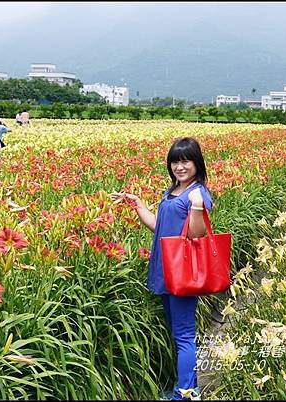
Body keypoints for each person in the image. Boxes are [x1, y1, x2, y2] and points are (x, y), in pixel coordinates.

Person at [110, 137, 212, 401]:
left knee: (184, 335)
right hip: (165, 269)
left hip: (183, 272)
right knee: (178, 333)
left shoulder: (197, 193)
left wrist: (199, 207)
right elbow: (160, 227)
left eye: (185, 161)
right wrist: (138, 204)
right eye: (175, 161)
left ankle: (186, 393)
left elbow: (196, 234)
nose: (179, 166)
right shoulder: (172, 191)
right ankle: (189, 385)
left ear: (196, 163)